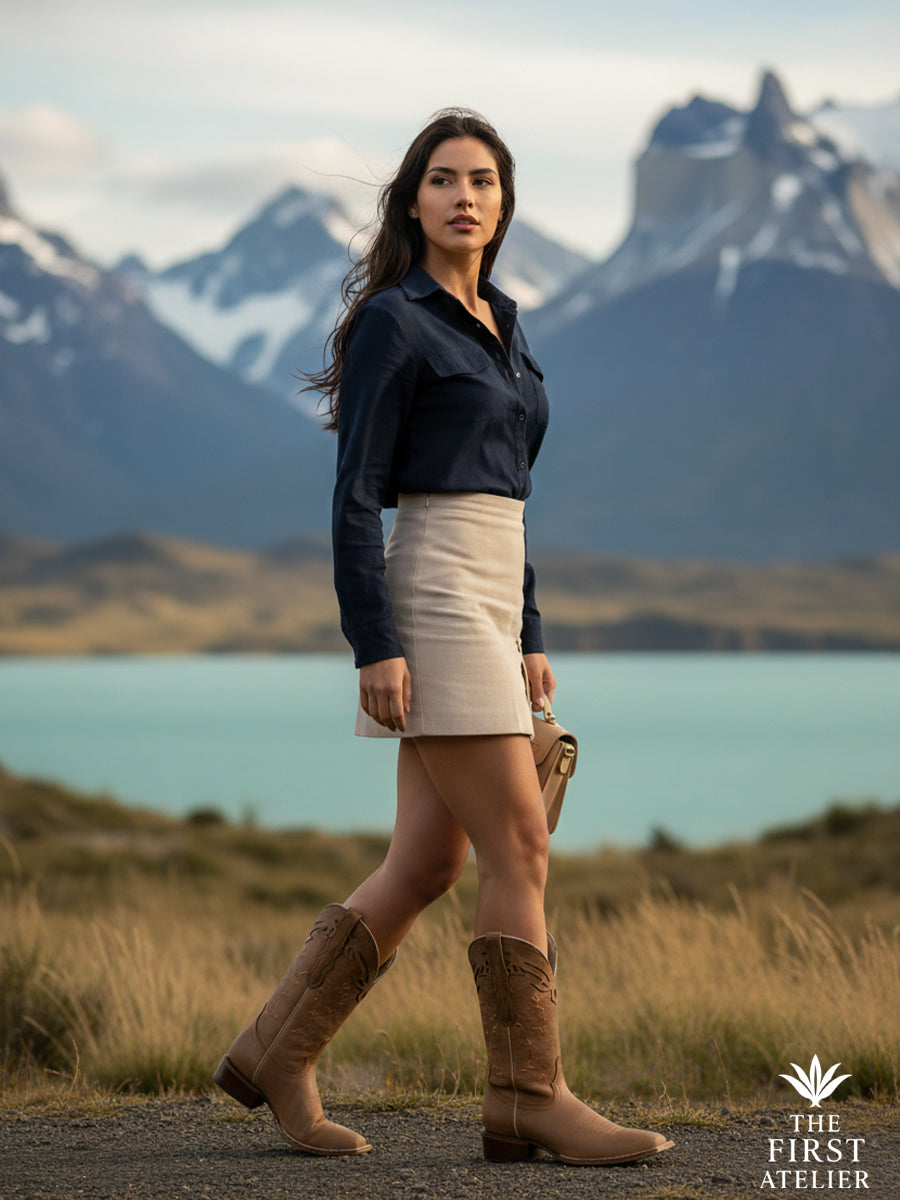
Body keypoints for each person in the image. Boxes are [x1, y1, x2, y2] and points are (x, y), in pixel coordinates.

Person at [214, 108, 673, 1167]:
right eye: (441, 179)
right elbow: (357, 494)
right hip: (429, 593)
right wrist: (373, 640)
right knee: (521, 840)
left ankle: (274, 1052)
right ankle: (528, 1097)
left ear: (504, 204)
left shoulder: (504, 321)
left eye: (482, 180)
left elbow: (510, 499)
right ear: (412, 202)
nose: (464, 195)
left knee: (425, 860)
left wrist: (531, 628)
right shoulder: (395, 320)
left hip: (491, 588)